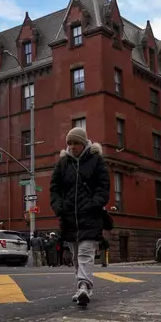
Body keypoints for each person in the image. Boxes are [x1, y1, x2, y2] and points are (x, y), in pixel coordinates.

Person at [50, 127, 110, 306]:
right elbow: (54, 189)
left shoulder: (96, 160)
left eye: (76, 143)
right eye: (69, 143)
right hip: (68, 218)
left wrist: (93, 204)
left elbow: (103, 186)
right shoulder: (62, 163)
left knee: (85, 253)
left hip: (89, 217)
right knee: (76, 256)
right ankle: (82, 286)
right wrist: (58, 207)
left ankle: (84, 285)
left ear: (84, 143)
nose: (72, 146)